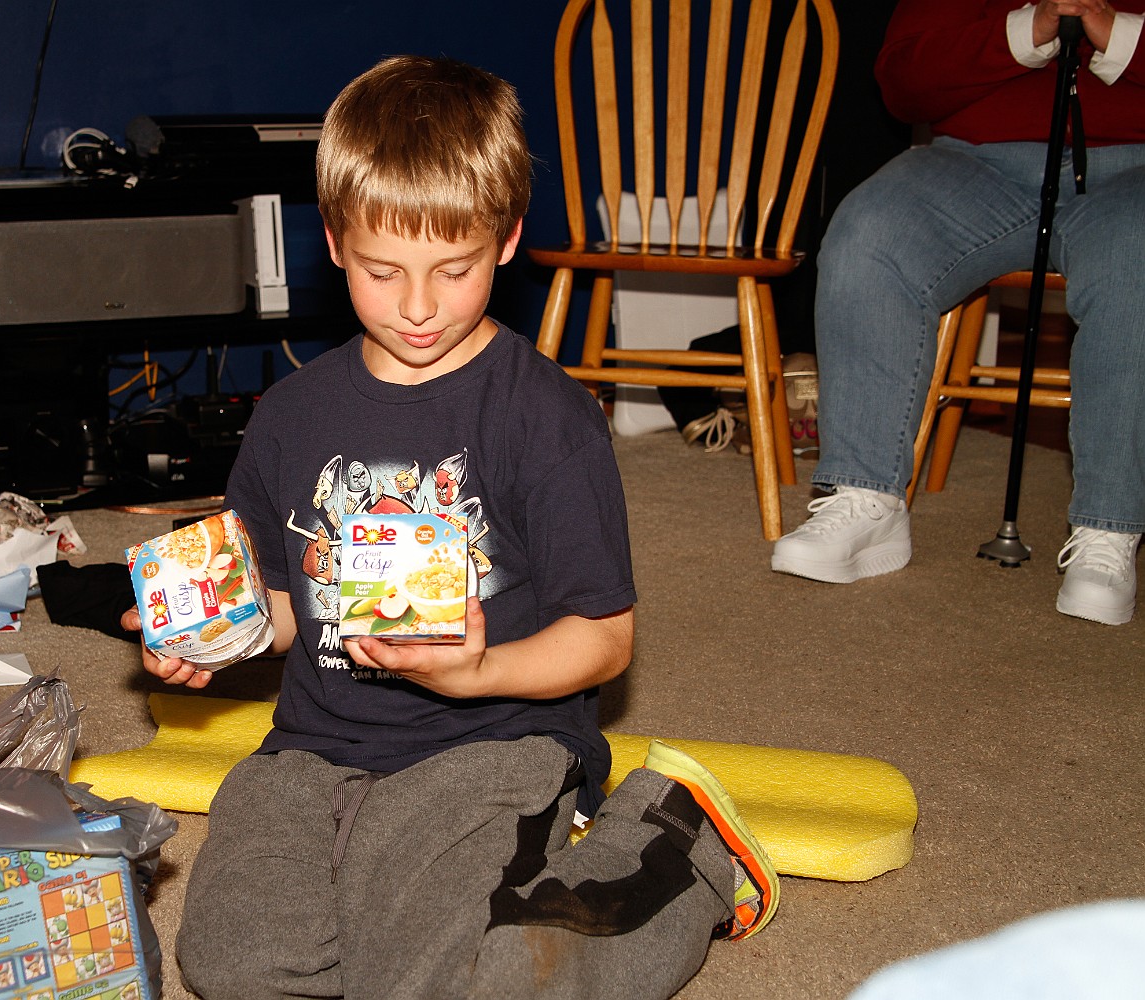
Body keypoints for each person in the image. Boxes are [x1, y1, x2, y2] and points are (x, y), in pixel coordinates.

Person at [131, 56, 778, 1000]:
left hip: (489, 744)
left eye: (455, 268)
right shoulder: (289, 416)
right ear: (335, 241)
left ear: (507, 238)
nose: (419, 306)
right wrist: (212, 634)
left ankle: (679, 841)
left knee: (455, 983)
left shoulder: (547, 418)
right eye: (383, 271)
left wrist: (477, 674)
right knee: (236, 969)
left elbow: (604, 640)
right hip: (312, 751)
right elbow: (285, 607)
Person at [771, 0, 1145, 625]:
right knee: (870, 233)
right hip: (977, 160)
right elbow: (902, 82)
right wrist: (1026, 30)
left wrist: (1119, 35)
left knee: (1135, 260)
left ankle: (1109, 529)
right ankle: (867, 496)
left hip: (1135, 165)